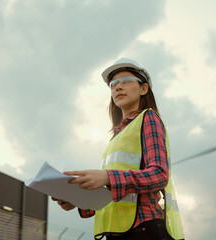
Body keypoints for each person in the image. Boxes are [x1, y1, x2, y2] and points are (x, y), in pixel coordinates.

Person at [52, 58, 185, 240]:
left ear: (143, 89)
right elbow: (113, 195)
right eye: (113, 84)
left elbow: (159, 174)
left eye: (126, 80)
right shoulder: (116, 137)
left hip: (144, 230)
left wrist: (107, 177)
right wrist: (78, 201)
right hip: (116, 233)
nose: (117, 87)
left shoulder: (148, 119)